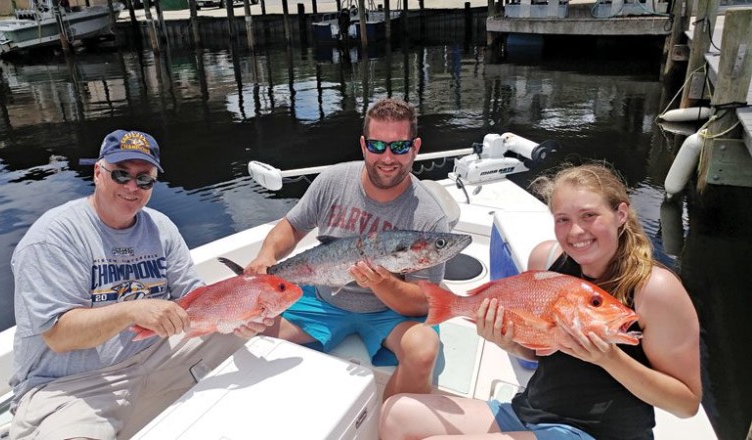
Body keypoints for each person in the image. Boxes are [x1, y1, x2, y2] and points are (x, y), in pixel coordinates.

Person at [378, 163, 702, 440]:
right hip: (533, 411)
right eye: (563, 219)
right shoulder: (547, 259)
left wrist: (610, 359)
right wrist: (507, 340)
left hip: (597, 432)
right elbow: (535, 352)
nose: (575, 231)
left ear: (620, 214)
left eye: (589, 215)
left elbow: (686, 404)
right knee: (397, 413)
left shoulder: (655, 289)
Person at [8, 130, 268, 440]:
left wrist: (239, 318)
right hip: (75, 384)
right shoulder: (53, 237)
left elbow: (193, 296)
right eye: (121, 174)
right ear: (98, 173)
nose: (133, 188)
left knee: (265, 334)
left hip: (158, 355)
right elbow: (59, 336)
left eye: (144, 179)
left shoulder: (161, 228)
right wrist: (131, 311)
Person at [245, 98, 448, 400]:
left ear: (415, 147)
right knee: (247, 325)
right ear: (365, 145)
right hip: (323, 300)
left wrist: (382, 284)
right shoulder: (333, 180)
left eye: (399, 147)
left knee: (423, 351)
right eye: (378, 146)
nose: (388, 157)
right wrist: (267, 256)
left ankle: (390, 426)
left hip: (389, 313)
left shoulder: (429, 216)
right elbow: (292, 226)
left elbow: (422, 303)